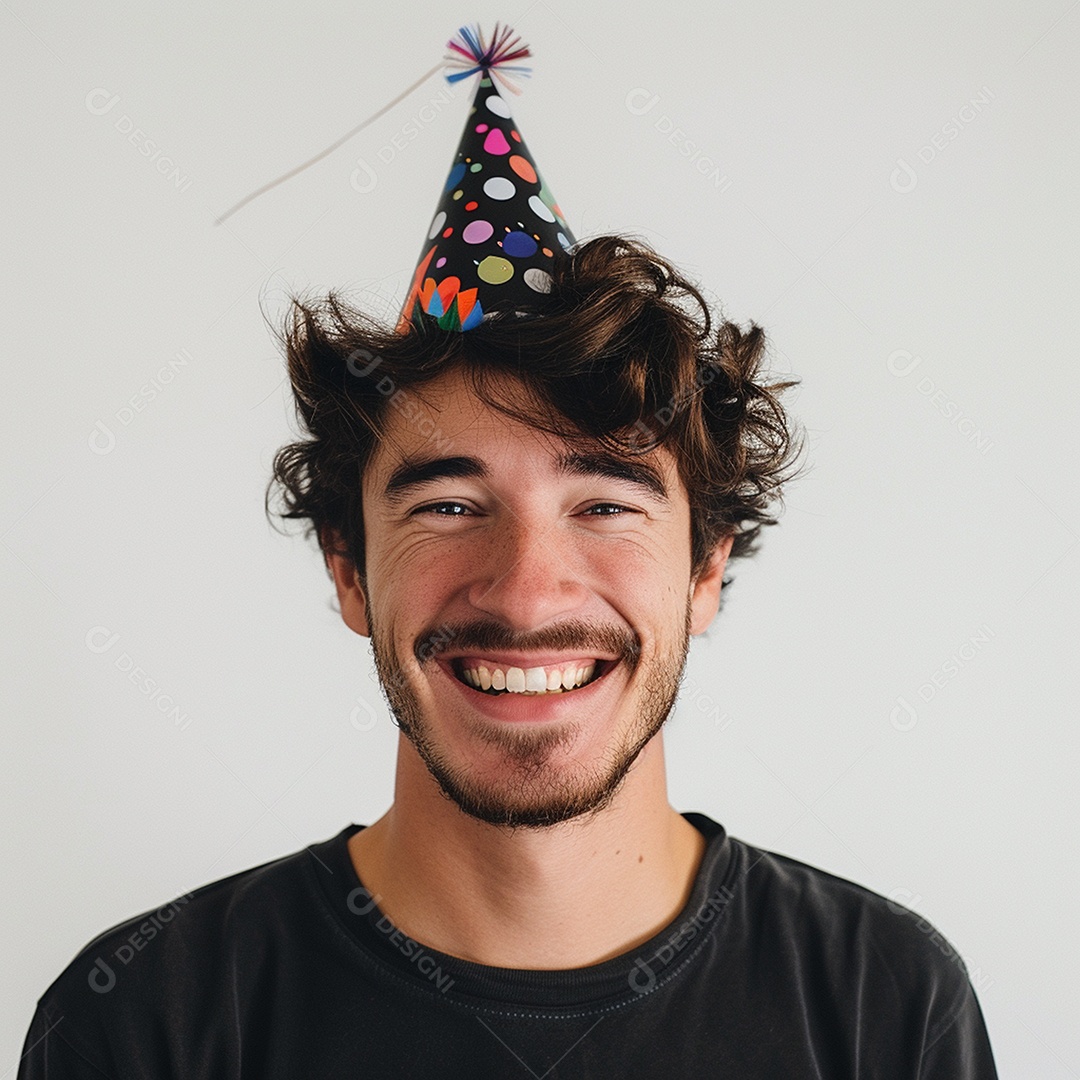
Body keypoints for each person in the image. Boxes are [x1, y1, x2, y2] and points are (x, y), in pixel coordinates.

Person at [18, 24, 998, 1079]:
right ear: (347, 567)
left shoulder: (881, 1003)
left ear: (706, 568)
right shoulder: (145, 1022)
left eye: (605, 505)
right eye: (447, 506)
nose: (527, 591)